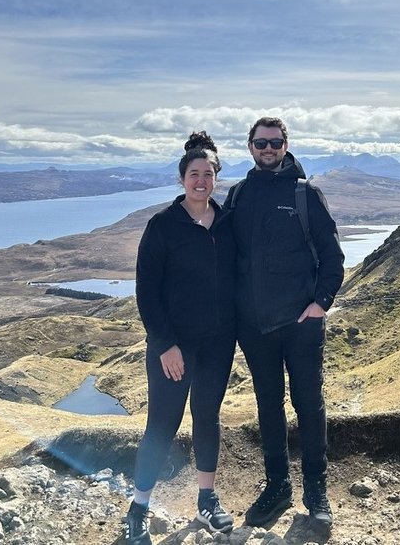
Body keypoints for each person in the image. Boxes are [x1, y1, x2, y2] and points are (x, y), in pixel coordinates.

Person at [225, 117, 345, 528]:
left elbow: (332, 257)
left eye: (275, 143)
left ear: (286, 144)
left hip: (300, 324)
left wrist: (321, 304)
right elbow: (226, 257)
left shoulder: (305, 194)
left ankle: (316, 488)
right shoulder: (239, 195)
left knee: (308, 404)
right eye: (261, 143)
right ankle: (278, 487)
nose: (268, 149)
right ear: (250, 147)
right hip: (255, 328)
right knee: (268, 407)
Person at [123, 132, 237, 544]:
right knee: (163, 424)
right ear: (182, 178)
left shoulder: (226, 222)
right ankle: (138, 508)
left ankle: (206, 500)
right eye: (194, 174)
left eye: (208, 174)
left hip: (217, 344)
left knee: (207, 417)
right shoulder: (162, 226)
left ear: (216, 177)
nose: (201, 180)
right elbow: (147, 290)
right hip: (172, 347)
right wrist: (165, 344)